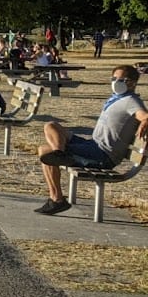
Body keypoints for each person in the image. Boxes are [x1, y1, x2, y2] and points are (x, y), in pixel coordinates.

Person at [34, 65, 148, 214]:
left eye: (121, 80)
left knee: (44, 151)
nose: (115, 82)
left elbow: (143, 114)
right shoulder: (116, 99)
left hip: (102, 155)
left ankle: (57, 200)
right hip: (92, 145)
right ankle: (59, 153)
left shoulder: (131, 101)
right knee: (51, 125)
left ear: (132, 83)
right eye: (113, 79)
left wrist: (145, 121)